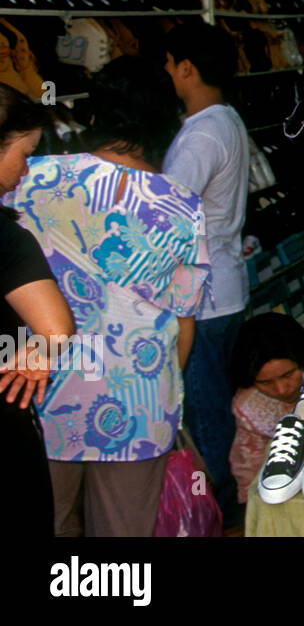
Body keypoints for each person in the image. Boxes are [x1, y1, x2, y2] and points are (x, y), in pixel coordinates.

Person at [8, 59, 209, 536]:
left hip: (37, 392)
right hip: (137, 404)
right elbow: (184, 320)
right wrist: (164, 396)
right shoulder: (181, 204)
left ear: (95, 115)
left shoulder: (28, 178)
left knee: (43, 523)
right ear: (169, 121)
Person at [163, 22, 250, 527]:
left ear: (187, 68)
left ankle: (215, 516)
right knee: (217, 411)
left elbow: (167, 213)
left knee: (206, 415)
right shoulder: (227, 121)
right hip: (225, 287)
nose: (169, 75)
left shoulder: (202, 133)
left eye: (171, 66)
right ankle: (227, 508)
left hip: (203, 297)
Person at [0, 85, 75, 537]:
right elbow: (55, 328)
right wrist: (37, 353)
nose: (26, 169)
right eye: (24, 153)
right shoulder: (7, 239)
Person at [228, 313, 304, 506]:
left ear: (303, 360)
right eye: (266, 382)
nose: (281, 389)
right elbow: (248, 470)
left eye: (288, 374)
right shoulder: (249, 405)